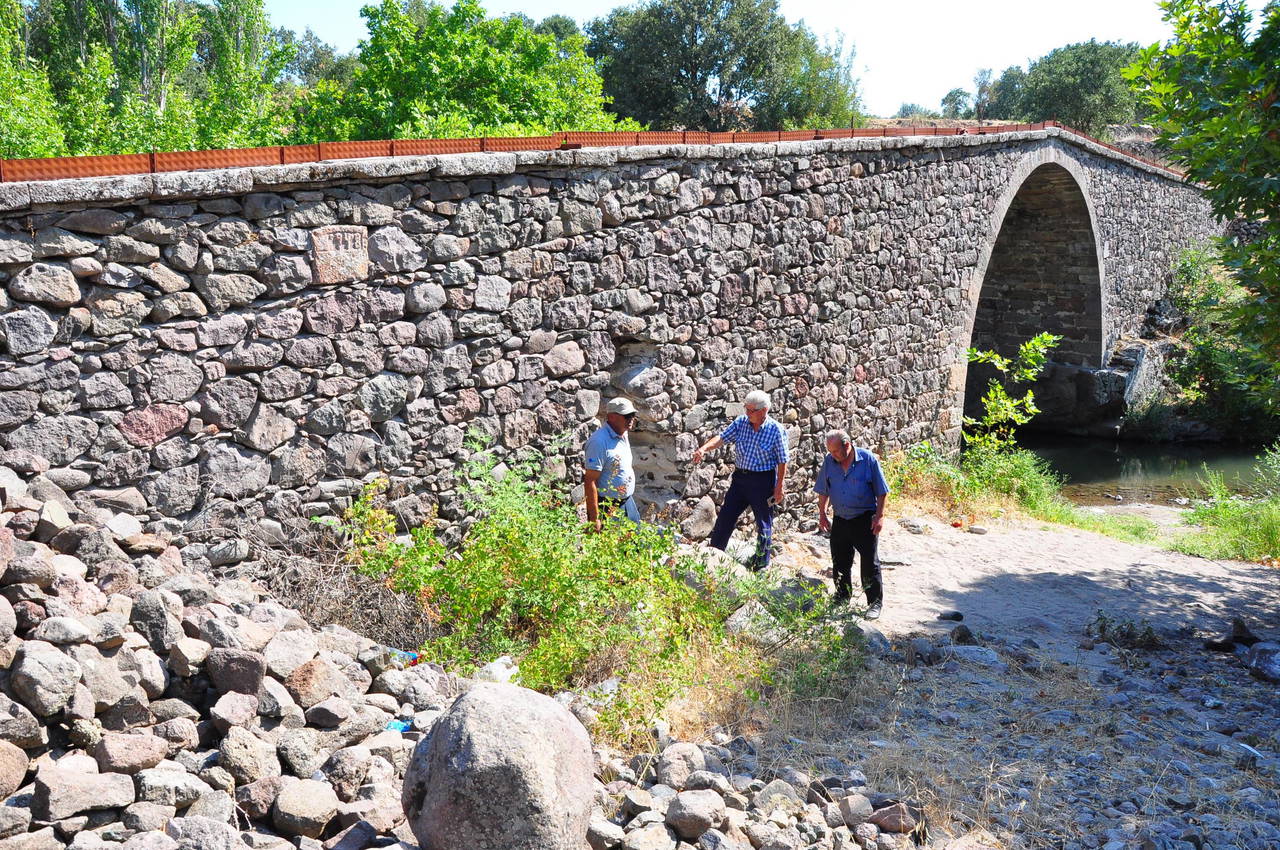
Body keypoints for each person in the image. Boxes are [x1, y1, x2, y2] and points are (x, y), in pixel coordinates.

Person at [692, 390, 788, 570]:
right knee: (726, 516)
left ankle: (760, 563)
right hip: (740, 479)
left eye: (751, 410)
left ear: (764, 410)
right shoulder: (741, 423)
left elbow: (783, 460)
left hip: (763, 481)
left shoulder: (776, 430)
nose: (747, 413)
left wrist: (779, 487)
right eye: (746, 409)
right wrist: (704, 449)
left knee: (763, 522)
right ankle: (714, 553)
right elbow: (722, 438)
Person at [814, 429, 889, 619]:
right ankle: (842, 595)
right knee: (840, 561)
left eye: (836, 452)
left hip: (864, 518)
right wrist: (822, 514)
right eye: (830, 452)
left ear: (847, 445)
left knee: (869, 563)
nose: (833, 456)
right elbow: (823, 489)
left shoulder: (868, 460)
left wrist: (879, 517)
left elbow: (881, 491)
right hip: (840, 518)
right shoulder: (829, 462)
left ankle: (874, 603)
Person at [583, 398, 641, 529]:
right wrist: (594, 519)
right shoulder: (598, 442)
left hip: (627, 501)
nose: (631, 419)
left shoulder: (623, 433)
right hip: (608, 506)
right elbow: (590, 481)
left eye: (632, 415)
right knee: (613, 547)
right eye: (627, 416)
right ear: (612, 417)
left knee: (637, 546)